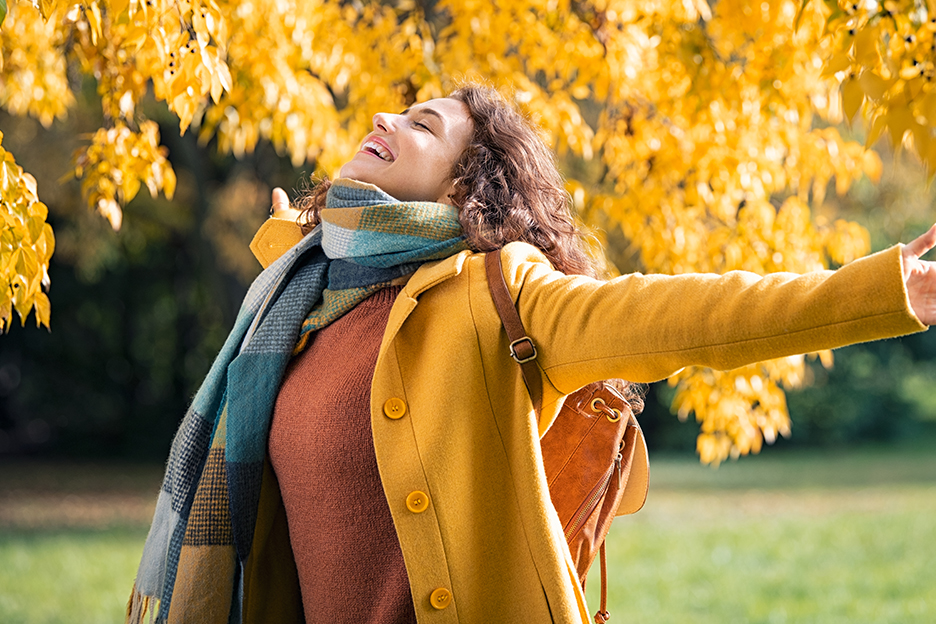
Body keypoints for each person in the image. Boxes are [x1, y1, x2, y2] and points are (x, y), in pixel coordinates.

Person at [129, 84, 936, 624]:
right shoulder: (295, 297)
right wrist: (288, 242)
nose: (386, 122)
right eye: (397, 112)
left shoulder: (497, 292)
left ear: (463, 188)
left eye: (424, 126)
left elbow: (680, 315)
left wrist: (870, 292)